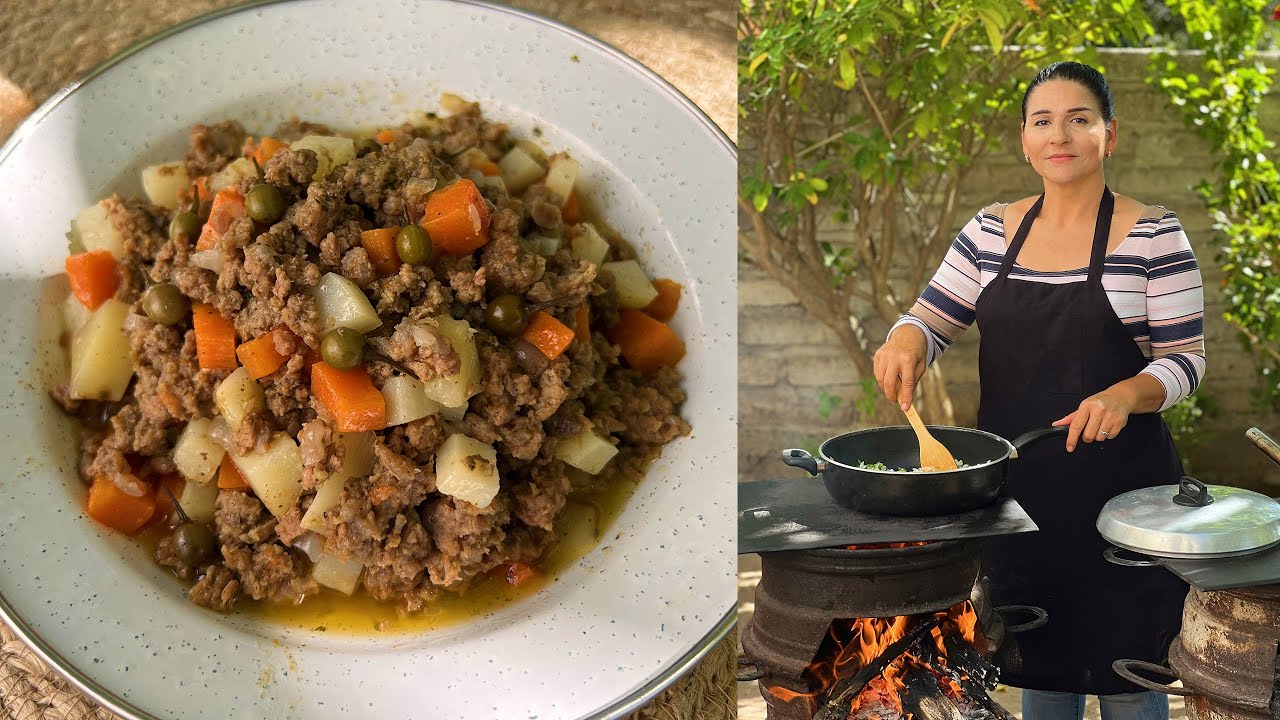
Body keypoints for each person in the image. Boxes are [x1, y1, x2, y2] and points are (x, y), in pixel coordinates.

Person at [872, 61, 1206, 720]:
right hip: (1018, 498)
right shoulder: (988, 232)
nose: (1060, 135)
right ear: (1025, 140)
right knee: (1041, 673)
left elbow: (1185, 361)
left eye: (1080, 119)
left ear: (1110, 134)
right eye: (1043, 121)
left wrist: (1125, 394)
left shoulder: (1155, 234)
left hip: (1126, 501)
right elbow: (930, 320)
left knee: (1131, 679)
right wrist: (906, 340)